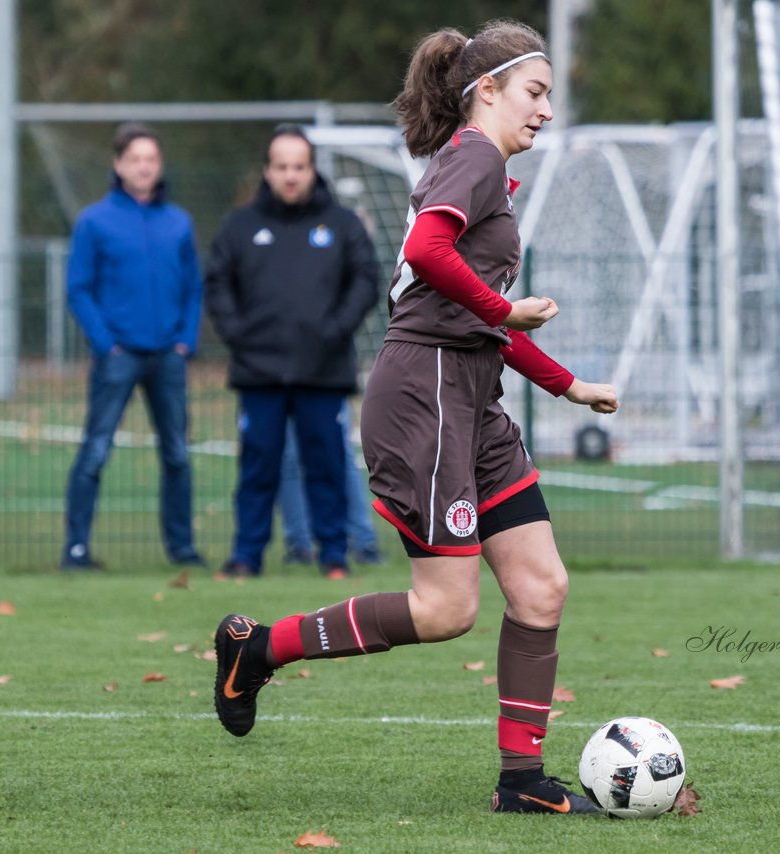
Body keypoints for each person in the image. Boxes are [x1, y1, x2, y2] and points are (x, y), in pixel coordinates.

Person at [211, 21, 619, 816]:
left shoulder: (487, 171)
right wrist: (506, 308)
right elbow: (432, 254)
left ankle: (521, 782)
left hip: (470, 395)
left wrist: (567, 385)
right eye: (535, 94)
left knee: (541, 587)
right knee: (447, 610)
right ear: (487, 91)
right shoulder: (471, 156)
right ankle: (255, 647)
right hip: (425, 397)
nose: (545, 112)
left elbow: (482, 327)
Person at [205, 124, 379, 580]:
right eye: (281, 167)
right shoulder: (239, 226)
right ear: (267, 171)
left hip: (323, 371)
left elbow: (365, 281)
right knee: (257, 469)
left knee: (326, 466)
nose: (290, 176)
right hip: (259, 372)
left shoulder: (341, 225)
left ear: (310, 170)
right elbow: (217, 282)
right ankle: (246, 556)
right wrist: (239, 333)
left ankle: (334, 555)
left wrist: (336, 329)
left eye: (298, 167)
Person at [62, 122, 205, 570]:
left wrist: (185, 341)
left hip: (169, 357)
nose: (144, 167)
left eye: (152, 159)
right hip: (118, 356)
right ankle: (77, 550)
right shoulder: (94, 221)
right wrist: (107, 345)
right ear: (118, 164)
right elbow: (78, 290)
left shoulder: (179, 222)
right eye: (135, 159)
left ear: (159, 166)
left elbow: (194, 288)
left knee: (177, 455)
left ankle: (182, 549)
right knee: (96, 450)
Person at [276, 405, 383, 566]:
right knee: (290, 459)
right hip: (283, 385)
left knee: (341, 459)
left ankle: (363, 543)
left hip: (326, 386)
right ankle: (299, 547)